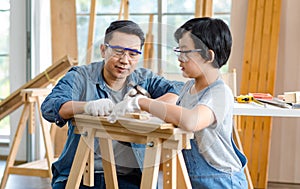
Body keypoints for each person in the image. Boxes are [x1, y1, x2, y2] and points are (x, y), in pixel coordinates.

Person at [41, 20, 183, 189]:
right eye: (118, 51)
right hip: (80, 173)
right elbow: (50, 107)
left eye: (133, 54)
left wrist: (144, 104)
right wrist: (86, 106)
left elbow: (179, 91)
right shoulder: (81, 76)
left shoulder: (145, 78)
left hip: (129, 177)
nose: (125, 60)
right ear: (103, 50)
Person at [113, 17, 248, 188]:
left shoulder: (219, 93)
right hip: (194, 179)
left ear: (208, 55)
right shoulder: (188, 88)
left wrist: (143, 102)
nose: (180, 58)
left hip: (222, 181)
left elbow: (191, 121)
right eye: (179, 51)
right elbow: (174, 117)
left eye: (185, 52)